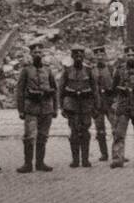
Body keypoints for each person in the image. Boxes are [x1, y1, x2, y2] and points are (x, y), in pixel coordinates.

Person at [16, 43, 57, 174]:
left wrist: (55, 108)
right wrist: (21, 109)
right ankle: (28, 164)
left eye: (40, 52)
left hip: (46, 108)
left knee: (43, 136)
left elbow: (55, 89)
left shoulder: (48, 70)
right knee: (29, 137)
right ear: (31, 55)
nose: (38, 55)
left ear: (43, 54)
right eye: (35, 53)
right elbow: (20, 91)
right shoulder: (26, 70)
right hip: (31, 108)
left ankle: (40, 163)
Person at [58, 45, 99, 168]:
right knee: (74, 132)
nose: (78, 57)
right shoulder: (67, 70)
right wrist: (62, 107)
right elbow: (61, 90)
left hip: (86, 105)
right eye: (76, 55)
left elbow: (95, 89)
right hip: (72, 105)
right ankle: (75, 160)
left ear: (83, 56)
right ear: (72, 56)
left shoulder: (89, 70)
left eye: (81, 55)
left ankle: (85, 160)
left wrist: (96, 106)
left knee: (85, 131)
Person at [110, 46, 134, 168]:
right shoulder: (119, 70)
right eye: (128, 55)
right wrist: (121, 90)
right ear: (125, 56)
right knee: (119, 134)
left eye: (133, 55)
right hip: (123, 105)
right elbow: (113, 87)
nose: (131, 57)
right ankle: (117, 158)